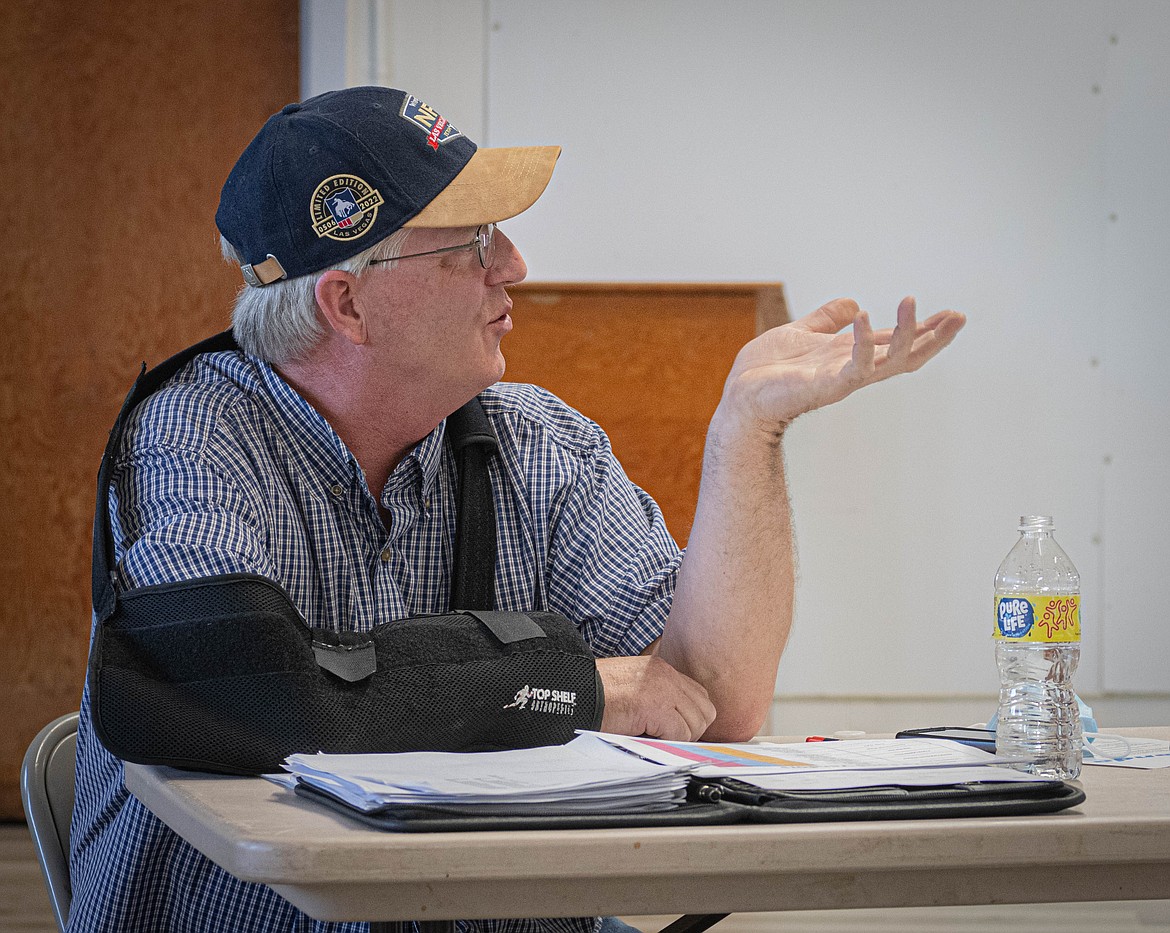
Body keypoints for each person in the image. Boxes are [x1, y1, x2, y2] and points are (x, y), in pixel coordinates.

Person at [69, 86, 965, 932]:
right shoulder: (193, 433)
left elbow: (711, 703)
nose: (515, 266)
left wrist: (747, 433)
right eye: (471, 241)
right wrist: (561, 682)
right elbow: (239, 688)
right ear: (348, 301)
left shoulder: (542, 441)